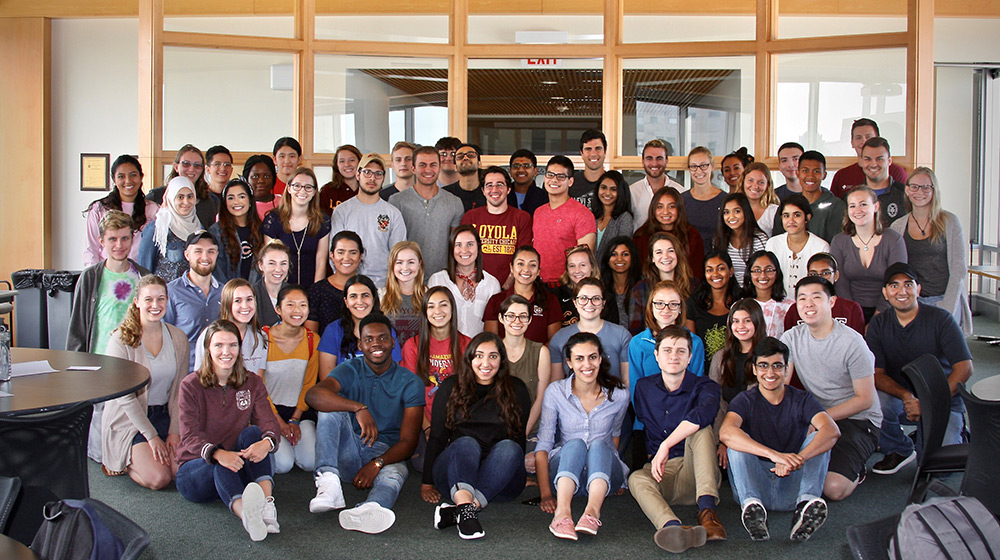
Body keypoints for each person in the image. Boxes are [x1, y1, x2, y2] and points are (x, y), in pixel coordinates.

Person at [306, 314, 424, 534]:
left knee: (396, 473)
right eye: (369, 339)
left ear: (392, 342)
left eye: (382, 338)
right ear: (360, 344)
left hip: (386, 454)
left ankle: (372, 508)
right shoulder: (350, 367)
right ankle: (329, 482)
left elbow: (408, 442)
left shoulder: (410, 382)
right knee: (330, 409)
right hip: (349, 449)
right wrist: (357, 408)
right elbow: (313, 395)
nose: (376, 344)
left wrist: (377, 463)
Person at [719, 337, 840, 542]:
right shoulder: (744, 400)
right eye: (764, 366)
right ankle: (753, 512)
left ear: (786, 369)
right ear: (754, 369)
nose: (770, 373)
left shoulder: (802, 399)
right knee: (736, 443)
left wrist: (796, 459)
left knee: (819, 439)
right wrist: (776, 456)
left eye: (777, 366)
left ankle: (805, 506)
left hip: (793, 487)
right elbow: (726, 432)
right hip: (755, 487)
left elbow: (832, 430)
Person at [176, 319, 280, 541]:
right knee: (219, 462)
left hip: (236, 463)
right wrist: (218, 454)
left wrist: (267, 442)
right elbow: (189, 436)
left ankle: (266, 506)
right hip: (196, 468)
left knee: (254, 436)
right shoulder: (190, 385)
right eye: (219, 345)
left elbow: (269, 423)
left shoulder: (251, 382)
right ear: (208, 349)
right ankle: (247, 515)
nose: (226, 351)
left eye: (232, 345)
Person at [421, 332, 532, 539]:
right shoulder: (450, 387)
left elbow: (518, 440)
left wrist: (516, 471)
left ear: (502, 360)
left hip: (498, 483)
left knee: (509, 447)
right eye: (479, 355)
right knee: (466, 443)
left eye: (493, 356)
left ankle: (462, 510)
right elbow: (437, 437)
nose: (485, 363)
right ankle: (467, 508)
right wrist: (427, 482)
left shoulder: (517, 389)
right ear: (469, 358)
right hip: (455, 473)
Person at [780, 276, 881, 501]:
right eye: (802, 298)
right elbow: (781, 384)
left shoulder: (853, 343)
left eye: (817, 297)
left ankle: (858, 467)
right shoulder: (790, 338)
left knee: (833, 488)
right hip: (816, 417)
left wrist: (818, 419)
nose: (808, 304)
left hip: (858, 419)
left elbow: (865, 399)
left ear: (832, 301)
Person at [866, 263, 973, 475]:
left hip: (943, 397)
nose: (902, 291)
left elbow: (965, 368)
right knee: (873, 401)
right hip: (902, 398)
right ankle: (900, 448)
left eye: (908, 284)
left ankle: (959, 432)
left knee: (939, 469)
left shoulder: (941, 319)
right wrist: (907, 397)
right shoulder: (878, 324)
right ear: (885, 293)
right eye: (894, 286)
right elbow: (876, 375)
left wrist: (928, 401)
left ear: (918, 289)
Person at [629, 326, 724, 553]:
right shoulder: (644, 388)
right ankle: (672, 527)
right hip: (664, 474)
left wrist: (666, 444)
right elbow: (642, 419)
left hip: (697, 470)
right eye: (668, 350)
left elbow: (704, 415)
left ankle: (708, 513)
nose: (674, 356)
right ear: (657, 356)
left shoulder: (706, 387)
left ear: (690, 357)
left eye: (681, 351)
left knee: (700, 429)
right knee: (635, 479)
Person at [536, 332, 628, 540]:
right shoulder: (556, 392)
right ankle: (563, 514)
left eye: (593, 357)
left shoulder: (619, 394)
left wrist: (616, 470)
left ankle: (591, 513)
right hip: (565, 476)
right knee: (575, 444)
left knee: (599, 444)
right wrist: (546, 495)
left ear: (601, 358)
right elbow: (544, 445)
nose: (587, 364)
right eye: (579, 358)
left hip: (602, 478)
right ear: (569, 362)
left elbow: (615, 436)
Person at [102, 275, 188, 490]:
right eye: (148, 299)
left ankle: (148, 454)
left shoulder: (178, 338)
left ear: (167, 301)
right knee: (159, 479)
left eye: (161, 299)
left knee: (179, 474)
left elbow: (179, 390)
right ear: (137, 302)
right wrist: (151, 437)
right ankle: (121, 461)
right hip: (130, 420)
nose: (155, 305)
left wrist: (174, 431)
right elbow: (125, 396)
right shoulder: (120, 339)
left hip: (164, 416)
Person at [889, 167, 972, 334]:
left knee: (944, 352)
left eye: (926, 187)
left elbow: (959, 270)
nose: (920, 192)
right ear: (907, 189)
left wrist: (947, 306)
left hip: (945, 298)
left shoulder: (950, 222)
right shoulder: (897, 226)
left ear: (934, 191)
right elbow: (896, 270)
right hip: (913, 300)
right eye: (915, 187)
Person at [402, 287, 471, 468]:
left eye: (443, 305)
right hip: (424, 418)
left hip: (456, 419)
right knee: (422, 463)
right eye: (431, 306)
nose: (437, 311)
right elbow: (411, 396)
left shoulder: (468, 344)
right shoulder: (412, 345)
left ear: (452, 309)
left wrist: (454, 427)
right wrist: (427, 427)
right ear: (425, 312)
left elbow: (469, 393)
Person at [69, 210, 150, 355]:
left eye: (125, 238)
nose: (119, 245)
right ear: (101, 241)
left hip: (135, 359)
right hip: (99, 361)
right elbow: (77, 329)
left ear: (132, 238)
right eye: (112, 239)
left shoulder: (143, 276)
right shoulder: (90, 277)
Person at [262, 285, 320, 474]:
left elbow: (309, 384)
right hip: (269, 413)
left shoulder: (313, 340)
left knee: (310, 462)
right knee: (284, 465)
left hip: (299, 412)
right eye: (290, 305)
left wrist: (294, 420)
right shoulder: (263, 338)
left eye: (303, 305)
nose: (297, 311)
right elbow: (259, 387)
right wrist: (279, 422)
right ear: (278, 309)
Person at [830, 185, 908, 323]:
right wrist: (854, 315)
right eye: (852, 206)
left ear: (876, 206)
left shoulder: (893, 240)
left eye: (863, 204)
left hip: (889, 308)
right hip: (851, 311)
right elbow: (840, 282)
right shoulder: (839, 241)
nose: (857, 210)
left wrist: (878, 316)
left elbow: (896, 281)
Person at [330, 153, 406, 287]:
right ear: (358, 175)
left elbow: (398, 256)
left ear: (383, 178)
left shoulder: (393, 213)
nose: (372, 178)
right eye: (367, 172)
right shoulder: (342, 211)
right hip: (350, 285)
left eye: (378, 174)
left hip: (383, 287)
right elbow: (335, 253)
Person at [708, 298, 766, 468]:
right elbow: (715, 401)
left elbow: (761, 406)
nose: (741, 326)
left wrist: (732, 439)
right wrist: (722, 439)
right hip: (725, 430)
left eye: (747, 321)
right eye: (735, 321)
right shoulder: (720, 358)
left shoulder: (766, 358)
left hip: (756, 432)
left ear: (757, 322)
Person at [389, 146, 464, 275]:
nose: (428, 170)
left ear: (439, 168)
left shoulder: (454, 202)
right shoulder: (397, 201)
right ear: (413, 168)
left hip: (441, 278)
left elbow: (455, 246)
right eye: (422, 165)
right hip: (407, 276)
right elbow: (393, 245)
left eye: (433, 165)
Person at [548, 278, 630, 386]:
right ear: (575, 302)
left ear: (603, 303)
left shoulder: (621, 335)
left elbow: (627, 382)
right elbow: (556, 383)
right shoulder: (559, 338)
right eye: (583, 298)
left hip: (614, 399)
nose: (589, 304)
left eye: (596, 298)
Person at [460, 165, 533, 284]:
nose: (494, 189)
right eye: (489, 185)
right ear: (483, 191)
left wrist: (506, 286)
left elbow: (523, 258)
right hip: (476, 287)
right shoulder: (471, 217)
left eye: (500, 184)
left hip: (511, 288)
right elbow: (463, 256)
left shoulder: (522, 218)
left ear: (508, 189)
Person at [318, 274, 402, 376]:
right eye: (353, 296)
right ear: (346, 302)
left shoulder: (386, 330)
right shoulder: (333, 330)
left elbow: (394, 375)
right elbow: (326, 380)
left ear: (374, 299)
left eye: (365, 295)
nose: (360, 301)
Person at [261, 166, 332, 287]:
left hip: (311, 287)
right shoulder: (273, 219)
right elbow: (270, 262)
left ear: (315, 192)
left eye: (308, 187)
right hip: (281, 288)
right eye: (297, 186)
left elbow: (321, 262)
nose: (302, 191)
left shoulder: (322, 221)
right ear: (289, 188)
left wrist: (315, 293)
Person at [83, 154, 158, 267]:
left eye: (133, 175)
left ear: (141, 177)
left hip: (142, 276)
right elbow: (90, 249)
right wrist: (96, 277)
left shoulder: (154, 209)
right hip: (108, 275)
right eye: (121, 176)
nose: (128, 181)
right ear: (114, 179)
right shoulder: (99, 209)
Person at [164, 230, 223, 372]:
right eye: (198, 251)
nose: (205, 257)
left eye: (211, 251)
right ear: (186, 255)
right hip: (185, 374)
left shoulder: (225, 292)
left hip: (219, 374)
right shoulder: (171, 292)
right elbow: (164, 337)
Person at [428, 225, 502, 338]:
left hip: (479, 352)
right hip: (446, 351)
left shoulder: (492, 284)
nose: (464, 250)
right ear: (452, 248)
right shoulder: (437, 280)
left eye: (470, 244)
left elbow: (493, 330)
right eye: (458, 245)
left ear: (478, 247)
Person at [534, 155, 598, 283]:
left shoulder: (582, 214)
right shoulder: (538, 212)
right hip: (538, 284)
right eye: (550, 175)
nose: (554, 180)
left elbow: (585, 260)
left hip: (567, 286)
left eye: (561, 176)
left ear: (570, 181)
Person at [483, 245, 561, 344]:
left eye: (532, 265)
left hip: (540, 358)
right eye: (520, 264)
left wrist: (537, 356)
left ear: (538, 271)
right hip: (504, 358)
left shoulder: (550, 300)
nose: (526, 269)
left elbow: (554, 341)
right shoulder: (496, 301)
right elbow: (491, 340)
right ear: (511, 268)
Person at [498, 294, 551, 435]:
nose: (517, 321)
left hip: (531, 430)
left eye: (523, 316)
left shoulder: (541, 352)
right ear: (501, 318)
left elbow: (541, 398)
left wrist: (523, 433)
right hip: (496, 429)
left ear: (530, 320)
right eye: (511, 315)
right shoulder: (492, 351)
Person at [193, 278, 268, 377]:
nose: (245, 306)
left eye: (249, 299)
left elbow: (258, 381)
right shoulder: (209, 335)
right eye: (238, 301)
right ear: (227, 304)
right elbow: (199, 378)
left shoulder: (260, 337)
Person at [771, 151, 846, 243]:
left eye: (816, 171)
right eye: (805, 171)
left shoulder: (836, 206)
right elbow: (778, 240)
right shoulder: (788, 204)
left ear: (824, 175)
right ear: (797, 173)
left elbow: (838, 243)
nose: (810, 176)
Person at [783, 253, 866, 335]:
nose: (819, 277)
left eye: (826, 273)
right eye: (813, 274)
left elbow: (857, 341)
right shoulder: (796, 309)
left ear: (836, 275)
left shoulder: (852, 308)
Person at [138, 176, 202, 282]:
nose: (186, 202)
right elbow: (145, 270)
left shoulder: (199, 229)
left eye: (190, 196)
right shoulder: (157, 229)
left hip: (192, 296)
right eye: (180, 197)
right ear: (171, 198)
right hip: (163, 295)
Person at [628, 232, 694, 334]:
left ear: (678, 254)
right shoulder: (640, 289)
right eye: (659, 252)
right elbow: (635, 331)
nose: (666, 256)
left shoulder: (694, 286)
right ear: (652, 258)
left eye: (671, 251)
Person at [765, 194, 830, 296]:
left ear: (807, 217)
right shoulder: (773, 244)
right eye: (786, 215)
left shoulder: (821, 247)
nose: (791, 221)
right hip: (778, 303)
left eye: (797, 215)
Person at [633, 186, 704, 277]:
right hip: (650, 288)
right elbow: (638, 272)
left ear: (679, 209)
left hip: (686, 288)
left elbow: (696, 273)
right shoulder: (641, 236)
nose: (665, 212)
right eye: (660, 207)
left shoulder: (692, 235)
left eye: (671, 206)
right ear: (653, 209)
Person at [686, 251, 742, 365]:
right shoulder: (693, 303)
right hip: (702, 370)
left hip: (735, 367)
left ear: (731, 272)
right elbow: (692, 344)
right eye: (709, 270)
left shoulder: (741, 302)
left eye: (720, 269)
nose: (715, 274)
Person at [831, 118, 908, 198]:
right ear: (852, 142)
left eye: (868, 136)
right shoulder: (841, 175)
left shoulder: (897, 172)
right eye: (858, 137)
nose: (863, 141)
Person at [305, 231, 363, 337]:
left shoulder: (367, 289)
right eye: (340, 252)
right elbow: (311, 337)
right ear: (332, 255)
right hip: (325, 351)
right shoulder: (317, 291)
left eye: (353, 252)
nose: (346, 258)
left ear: (360, 256)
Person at [146, 145, 219, 228]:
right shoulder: (156, 196)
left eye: (197, 165)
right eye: (186, 164)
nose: (191, 169)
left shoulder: (208, 201)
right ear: (176, 167)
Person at [209, 178, 264, 282]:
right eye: (231, 198)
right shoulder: (216, 232)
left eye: (241, 197)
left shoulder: (262, 229)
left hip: (256, 294)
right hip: (228, 294)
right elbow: (217, 271)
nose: (236, 202)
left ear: (250, 200)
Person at [629, 138, 687, 233]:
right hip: (640, 246)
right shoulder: (631, 192)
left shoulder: (681, 192)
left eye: (659, 158)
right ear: (643, 161)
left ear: (666, 161)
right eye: (649, 158)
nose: (654, 163)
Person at [711, 193, 768, 287]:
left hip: (754, 292)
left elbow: (764, 272)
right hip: (728, 292)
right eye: (726, 212)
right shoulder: (719, 239)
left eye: (737, 211)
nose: (731, 216)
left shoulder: (759, 239)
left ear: (746, 212)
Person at [379, 241, 426, 347]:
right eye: (399, 262)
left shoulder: (429, 295)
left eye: (411, 262)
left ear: (419, 264)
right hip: (392, 360)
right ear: (392, 265)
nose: (405, 268)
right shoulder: (381, 296)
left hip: (420, 358)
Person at [854, 137, 908, 227]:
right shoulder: (852, 197)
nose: (873, 164)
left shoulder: (905, 195)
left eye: (879, 159)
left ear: (889, 161)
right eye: (868, 159)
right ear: (861, 161)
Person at [681, 146, 726, 250]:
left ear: (712, 166)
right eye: (693, 166)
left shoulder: (725, 200)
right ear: (689, 169)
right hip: (689, 259)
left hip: (717, 260)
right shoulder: (682, 200)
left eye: (704, 165)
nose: (699, 171)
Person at [743, 250, 795, 338]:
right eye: (757, 270)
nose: (763, 275)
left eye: (769, 270)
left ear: (777, 273)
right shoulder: (741, 306)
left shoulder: (790, 306)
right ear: (749, 274)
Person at [551, 245, 600, 328]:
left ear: (592, 267)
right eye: (572, 266)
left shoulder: (605, 295)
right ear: (566, 269)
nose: (577, 271)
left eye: (582, 265)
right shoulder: (556, 295)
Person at [599, 236, 641, 329]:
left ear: (632, 257)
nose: (619, 259)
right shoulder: (600, 289)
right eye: (614, 254)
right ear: (607, 259)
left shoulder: (642, 287)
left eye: (625, 254)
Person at [593, 170, 634, 262]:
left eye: (613, 189)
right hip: (589, 273)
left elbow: (622, 251)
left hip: (611, 273)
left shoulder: (624, 218)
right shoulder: (591, 217)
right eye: (603, 187)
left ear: (620, 192)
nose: (607, 193)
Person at [253, 240, 290, 328]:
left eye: (283, 263)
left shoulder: (294, 293)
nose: (278, 269)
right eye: (272, 263)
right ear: (260, 265)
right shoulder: (251, 294)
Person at [736, 161, 780, 235]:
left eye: (761, 182)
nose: (755, 186)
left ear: (768, 185)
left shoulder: (774, 211)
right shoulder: (733, 208)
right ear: (743, 181)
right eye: (750, 180)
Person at [319, 144, 362, 216]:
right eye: (342, 161)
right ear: (337, 165)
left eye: (351, 160)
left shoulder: (369, 189)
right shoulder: (327, 191)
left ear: (360, 162)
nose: (347, 164)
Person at [570, 129, 607, 210]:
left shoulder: (615, 184)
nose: (593, 154)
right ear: (581, 153)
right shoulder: (570, 184)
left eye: (598, 148)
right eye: (588, 149)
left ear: (605, 152)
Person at [443, 143, 486, 212]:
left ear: (479, 164)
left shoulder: (490, 192)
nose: (465, 158)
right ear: (455, 167)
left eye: (471, 155)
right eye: (460, 157)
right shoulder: (445, 194)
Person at [508, 149, 548, 215]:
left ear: (535, 171)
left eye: (526, 166)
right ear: (510, 172)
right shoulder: (503, 195)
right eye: (516, 166)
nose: (521, 170)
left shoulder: (544, 197)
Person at [243, 154, 279, 219]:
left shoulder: (284, 203)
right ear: (246, 179)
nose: (261, 181)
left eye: (266, 176)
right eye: (255, 176)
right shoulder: (238, 205)